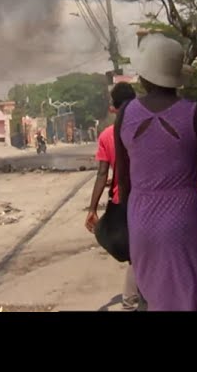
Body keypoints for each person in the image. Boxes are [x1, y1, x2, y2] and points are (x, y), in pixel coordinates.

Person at [114, 34, 197, 311]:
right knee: (187, 297)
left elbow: (123, 180)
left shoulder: (125, 114)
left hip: (141, 219)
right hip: (182, 217)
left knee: (156, 298)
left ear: (144, 76)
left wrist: (125, 225)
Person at [85, 82, 140, 311]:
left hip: (122, 203)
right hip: (149, 199)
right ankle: (138, 298)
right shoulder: (146, 127)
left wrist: (92, 208)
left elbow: (101, 173)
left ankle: (130, 303)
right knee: (144, 253)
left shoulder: (107, 135)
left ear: (112, 108)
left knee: (135, 255)